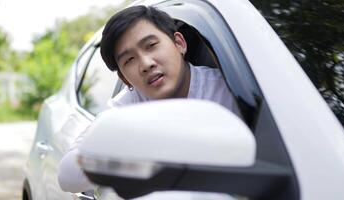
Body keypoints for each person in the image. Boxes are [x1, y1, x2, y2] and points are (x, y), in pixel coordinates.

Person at [58, 5, 240, 193]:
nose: (146, 64)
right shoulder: (125, 110)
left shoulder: (229, 90)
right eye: (129, 60)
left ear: (179, 43)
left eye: (151, 46)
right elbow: (68, 176)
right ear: (124, 78)